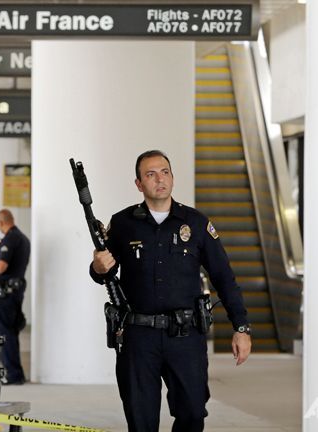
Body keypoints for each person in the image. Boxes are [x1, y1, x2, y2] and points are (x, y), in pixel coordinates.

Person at [90, 150, 252, 432]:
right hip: (138, 337)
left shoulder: (197, 223)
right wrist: (98, 266)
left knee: (192, 412)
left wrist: (241, 327)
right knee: (141, 421)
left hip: (186, 337)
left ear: (173, 178)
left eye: (164, 172)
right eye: (150, 174)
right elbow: (102, 273)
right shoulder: (123, 224)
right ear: (139, 184)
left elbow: (224, 278)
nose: (159, 179)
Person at [0, 209, 30, 385]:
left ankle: (13, 375)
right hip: (14, 292)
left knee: (4, 333)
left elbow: (1, 266)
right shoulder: (23, 238)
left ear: (1, 223)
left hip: (6, 294)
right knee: (10, 331)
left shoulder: (10, 238)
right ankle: (15, 373)